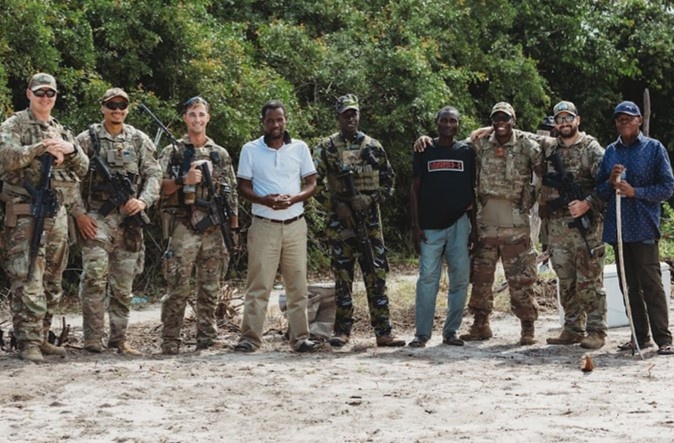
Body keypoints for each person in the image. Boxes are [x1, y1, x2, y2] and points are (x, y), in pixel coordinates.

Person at [415, 102, 541, 345]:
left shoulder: (528, 145)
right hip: (485, 223)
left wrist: (538, 199)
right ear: (491, 121)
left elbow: (547, 166)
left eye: (506, 118)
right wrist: (424, 139)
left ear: (514, 120)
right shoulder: (480, 144)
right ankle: (480, 324)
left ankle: (527, 327)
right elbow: (448, 142)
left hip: (516, 224)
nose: (501, 122)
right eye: (496, 119)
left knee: (521, 278)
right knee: (481, 279)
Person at [0, 73, 89, 362]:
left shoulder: (60, 130)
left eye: (50, 93)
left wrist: (70, 150)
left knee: (53, 277)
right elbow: (6, 157)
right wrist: (40, 148)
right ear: (29, 94)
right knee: (28, 276)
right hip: (26, 209)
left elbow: (84, 168)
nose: (45, 98)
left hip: (57, 212)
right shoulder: (14, 125)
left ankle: (43, 336)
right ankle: (27, 342)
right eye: (40, 93)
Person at [72, 88, 162, 355]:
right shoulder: (87, 140)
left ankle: (119, 339)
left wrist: (143, 201)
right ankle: (92, 339)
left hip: (128, 221)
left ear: (127, 108)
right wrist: (79, 214)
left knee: (123, 286)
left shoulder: (138, 140)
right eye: (112, 104)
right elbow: (70, 178)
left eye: (122, 105)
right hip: (96, 218)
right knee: (94, 278)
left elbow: (154, 175)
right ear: (103, 107)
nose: (117, 109)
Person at [314, 94, 405, 348]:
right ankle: (342, 331)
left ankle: (383, 331)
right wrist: (336, 205)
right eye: (346, 114)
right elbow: (312, 182)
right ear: (338, 117)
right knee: (342, 277)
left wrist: (372, 199)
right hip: (341, 224)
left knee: (376, 276)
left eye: (353, 113)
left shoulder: (374, 146)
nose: (350, 118)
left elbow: (389, 181)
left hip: (370, 223)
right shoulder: (327, 148)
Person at [234, 100, 317, 353]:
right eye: (270, 120)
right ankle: (250, 339)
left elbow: (312, 183)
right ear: (263, 123)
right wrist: (265, 200)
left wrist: (293, 198)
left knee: (297, 284)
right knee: (258, 284)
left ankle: (300, 337)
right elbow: (243, 187)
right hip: (264, 225)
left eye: (279, 119)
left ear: (286, 120)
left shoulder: (300, 148)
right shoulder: (250, 149)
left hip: (295, 224)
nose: (275, 125)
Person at [158, 96, 239, 355]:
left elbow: (232, 192)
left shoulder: (219, 153)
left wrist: (233, 228)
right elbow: (158, 188)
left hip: (214, 226)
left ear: (208, 117)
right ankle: (170, 339)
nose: (197, 119)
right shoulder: (173, 152)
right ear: (185, 117)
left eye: (201, 114)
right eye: (192, 114)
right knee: (177, 285)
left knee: (210, 285)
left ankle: (207, 337)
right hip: (183, 225)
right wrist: (184, 180)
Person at [596, 100, 674, 356]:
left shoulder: (653, 149)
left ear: (639, 120)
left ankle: (664, 339)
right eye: (620, 118)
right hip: (619, 230)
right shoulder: (610, 152)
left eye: (629, 118)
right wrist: (611, 181)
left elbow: (667, 187)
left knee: (650, 284)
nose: (624, 122)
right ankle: (640, 337)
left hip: (643, 227)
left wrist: (635, 192)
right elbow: (601, 191)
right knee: (627, 286)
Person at [536, 101, 607, 349]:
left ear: (578, 120)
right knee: (565, 281)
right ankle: (573, 328)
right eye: (560, 119)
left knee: (589, 281)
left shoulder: (591, 148)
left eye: (569, 118)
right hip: (557, 230)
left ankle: (597, 330)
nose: (565, 123)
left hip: (586, 228)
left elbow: (607, 183)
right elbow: (517, 135)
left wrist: (587, 204)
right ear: (554, 123)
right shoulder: (548, 146)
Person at [408, 106, 476, 348]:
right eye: (444, 120)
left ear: (458, 125)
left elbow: (473, 193)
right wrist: (415, 226)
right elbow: (414, 189)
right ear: (436, 122)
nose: (448, 125)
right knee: (427, 280)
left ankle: (451, 331)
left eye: (453, 121)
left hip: (459, 224)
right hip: (429, 226)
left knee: (459, 280)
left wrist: (474, 229)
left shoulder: (466, 152)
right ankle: (421, 334)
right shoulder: (424, 150)